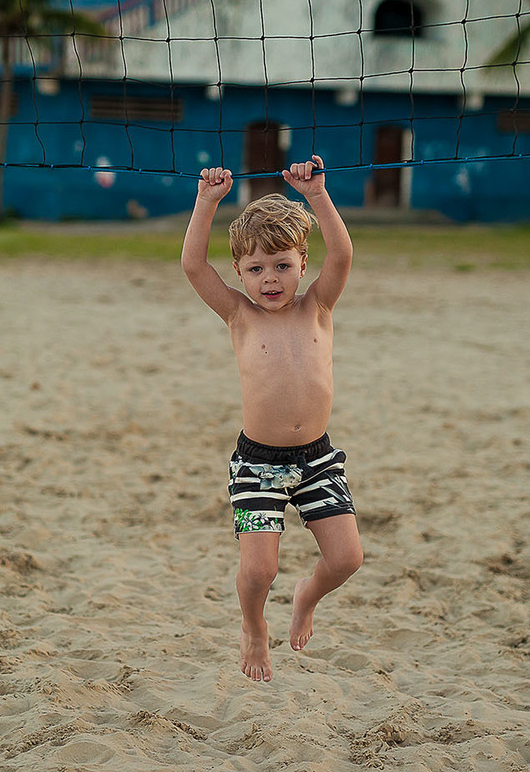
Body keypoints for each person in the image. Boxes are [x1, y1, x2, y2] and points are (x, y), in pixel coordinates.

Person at [181, 155, 363, 683]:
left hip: (317, 460)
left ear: (303, 263)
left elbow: (344, 254)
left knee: (347, 559)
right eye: (256, 269)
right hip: (258, 464)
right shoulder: (239, 315)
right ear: (239, 272)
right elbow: (194, 267)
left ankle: (306, 597)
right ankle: (254, 625)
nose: (270, 279)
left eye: (282, 265)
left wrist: (318, 195)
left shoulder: (319, 307)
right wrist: (206, 201)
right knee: (260, 568)